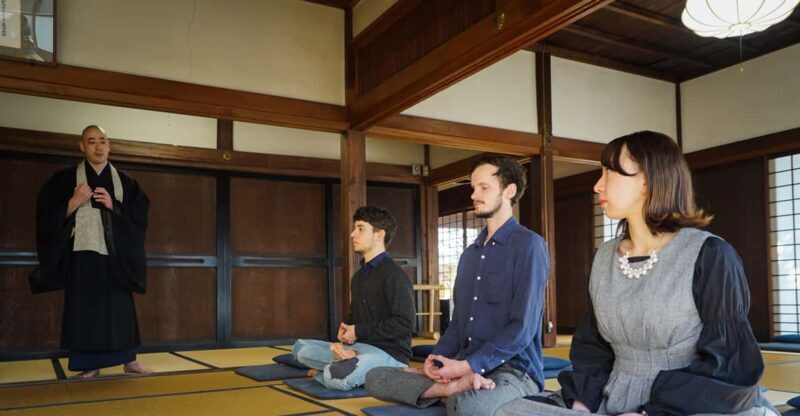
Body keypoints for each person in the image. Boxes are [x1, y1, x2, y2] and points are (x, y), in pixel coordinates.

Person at [497, 131, 776, 416]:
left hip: (689, 405)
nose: (597, 185)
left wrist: (650, 413)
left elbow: (730, 362)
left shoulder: (710, 255)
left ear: (648, 180)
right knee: (510, 412)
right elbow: (592, 348)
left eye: (610, 173)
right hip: (612, 395)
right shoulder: (604, 257)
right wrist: (581, 404)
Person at [366, 155, 550, 416]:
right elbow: (458, 321)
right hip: (461, 365)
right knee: (376, 377)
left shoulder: (529, 245)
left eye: (484, 187)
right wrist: (437, 361)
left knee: (470, 406)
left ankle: (458, 393)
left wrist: (468, 367)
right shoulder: (470, 254)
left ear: (509, 191)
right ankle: (448, 391)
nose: (474, 194)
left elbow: (522, 329)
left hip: (512, 371)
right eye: (473, 187)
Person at [33, 125, 151, 379]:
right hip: (82, 256)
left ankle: (129, 360)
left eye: (102, 141)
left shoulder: (127, 182)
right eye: (91, 142)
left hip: (116, 257)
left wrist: (114, 206)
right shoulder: (64, 180)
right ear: (82, 146)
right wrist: (72, 203)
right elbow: (45, 217)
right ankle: (90, 364)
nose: (98, 147)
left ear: (109, 145)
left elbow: (139, 218)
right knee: (84, 309)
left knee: (121, 307)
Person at [291, 206, 415, 390]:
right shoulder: (358, 277)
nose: (352, 234)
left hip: (388, 354)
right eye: (354, 228)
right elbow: (354, 319)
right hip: (358, 349)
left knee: (338, 377)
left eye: (360, 228)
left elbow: (405, 324)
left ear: (379, 234)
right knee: (300, 348)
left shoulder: (395, 275)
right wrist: (345, 339)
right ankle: (344, 366)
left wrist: (357, 332)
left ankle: (326, 372)